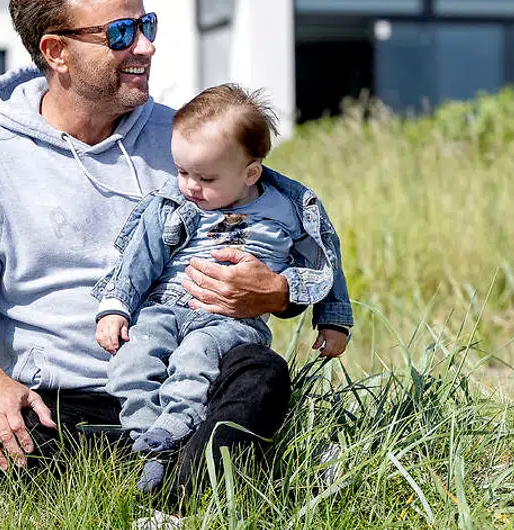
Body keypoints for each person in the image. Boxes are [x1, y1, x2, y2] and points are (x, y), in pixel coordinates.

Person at [0, 0, 350, 505]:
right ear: (56, 51)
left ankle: (173, 504)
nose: (145, 45)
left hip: (194, 377)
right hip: (66, 398)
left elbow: (288, 222)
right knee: (36, 454)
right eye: (120, 33)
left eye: (146, 24)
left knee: (260, 375)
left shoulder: (187, 137)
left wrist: (279, 293)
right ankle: (189, 488)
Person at [94, 83, 352, 494]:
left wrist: (333, 321)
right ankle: (149, 441)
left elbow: (325, 262)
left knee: (195, 362)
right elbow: (139, 258)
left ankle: (177, 427)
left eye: (206, 178)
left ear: (250, 172)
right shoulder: (175, 204)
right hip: (165, 305)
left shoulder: (289, 209)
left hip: (228, 321)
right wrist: (116, 307)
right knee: (132, 360)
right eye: (182, 172)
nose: (190, 186)